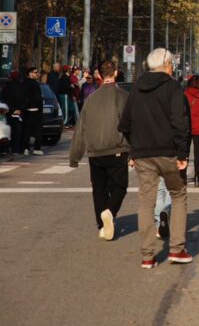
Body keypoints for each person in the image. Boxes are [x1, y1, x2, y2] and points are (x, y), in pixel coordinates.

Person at [118, 48, 192, 268]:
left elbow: (124, 124)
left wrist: (133, 149)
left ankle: (147, 255)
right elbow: (180, 122)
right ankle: (177, 249)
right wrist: (183, 153)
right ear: (167, 64)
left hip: (143, 154)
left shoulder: (136, 89)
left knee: (146, 202)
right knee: (178, 195)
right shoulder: (173, 87)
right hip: (169, 152)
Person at [68, 61, 129, 241]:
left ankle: (102, 226)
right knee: (119, 187)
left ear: (100, 76)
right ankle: (110, 212)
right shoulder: (122, 96)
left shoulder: (91, 99)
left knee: (99, 189)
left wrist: (75, 156)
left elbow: (81, 128)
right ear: (115, 73)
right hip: (117, 148)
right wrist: (134, 150)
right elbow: (129, 125)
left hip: (95, 152)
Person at [0, 70, 26, 156]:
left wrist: (11, 109)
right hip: (18, 112)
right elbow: (25, 100)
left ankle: (5, 149)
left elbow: (4, 99)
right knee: (17, 132)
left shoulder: (7, 87)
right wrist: (20, 109)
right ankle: (16, 149)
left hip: (9, 112)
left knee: (8, 131)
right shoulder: (22, 87)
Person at [22, 67, 45, 155]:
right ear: (30, 73)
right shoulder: (35, 84)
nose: (37, 74)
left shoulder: (23, 83)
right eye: (35, 72)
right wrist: (40, 104)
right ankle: (36, 148)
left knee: (26, 130)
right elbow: (37, 97)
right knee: (37, 130)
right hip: (35, 110)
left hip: (26, 110)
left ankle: (25, 148)